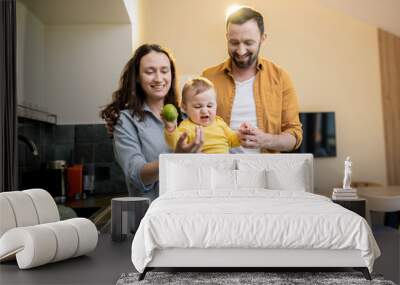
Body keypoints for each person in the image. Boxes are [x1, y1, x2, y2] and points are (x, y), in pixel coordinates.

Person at [100, 44, 203, 200]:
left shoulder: (185, 117)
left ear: (171, 75)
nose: (159, 78)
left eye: (164, 71)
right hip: (152, 216)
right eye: (149, 71)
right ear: (138, 77)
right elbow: (136, 175)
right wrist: (175, 158)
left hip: (187, 212)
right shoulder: (126, 121)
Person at [202, 6, 303, 153]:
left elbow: (295, 135)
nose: (241, 51)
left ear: (263, 39)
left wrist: (265, 140)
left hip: (266, 172)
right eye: (234, 42)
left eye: (248, 43)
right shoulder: (208, 78)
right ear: (227, 37)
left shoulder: (280, 78)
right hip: (219, 171)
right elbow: (194, 124)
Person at [163, 77, 247, 153]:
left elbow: (233, 140)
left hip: (223, 165)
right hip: (201, 167)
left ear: (216, 105)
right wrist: (171, 128)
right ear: (185, 108)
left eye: (209, 106)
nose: (204, 110)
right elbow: (175, 143)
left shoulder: (220, 123)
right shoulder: (186, 127)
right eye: (198, 106)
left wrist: (242, 135)